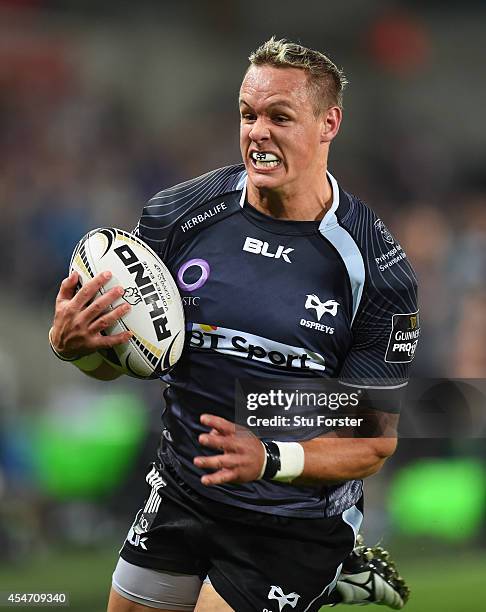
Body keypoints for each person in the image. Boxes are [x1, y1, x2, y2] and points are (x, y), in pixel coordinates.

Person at [49, 38, 418, 611]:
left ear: (329, 123)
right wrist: (74, 348)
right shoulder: (177, 215)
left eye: (279, 116)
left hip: (291, 521)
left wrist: (270, 457)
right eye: (248, 114)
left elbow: (373, 441)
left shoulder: (377, 267)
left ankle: (331, 566)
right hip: (182, 493)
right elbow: (132, 360)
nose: (257, 132)